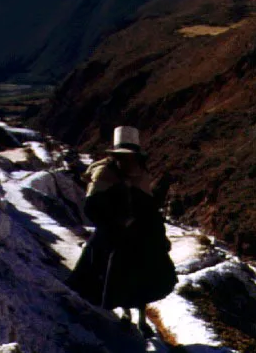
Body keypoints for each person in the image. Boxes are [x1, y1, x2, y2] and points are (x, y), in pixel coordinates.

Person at [68, 126, 177, 336]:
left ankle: (142, 319)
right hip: (114, 234)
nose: (126, 161)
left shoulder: (140, 173)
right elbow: (91, 208)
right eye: (121, 156)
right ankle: (126, 313)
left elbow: (148, 205)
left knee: (142, 278)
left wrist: (157, 228)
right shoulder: (103, 173)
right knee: (116, 276)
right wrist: (115, 222)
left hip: (141, 232)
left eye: (129, 156)